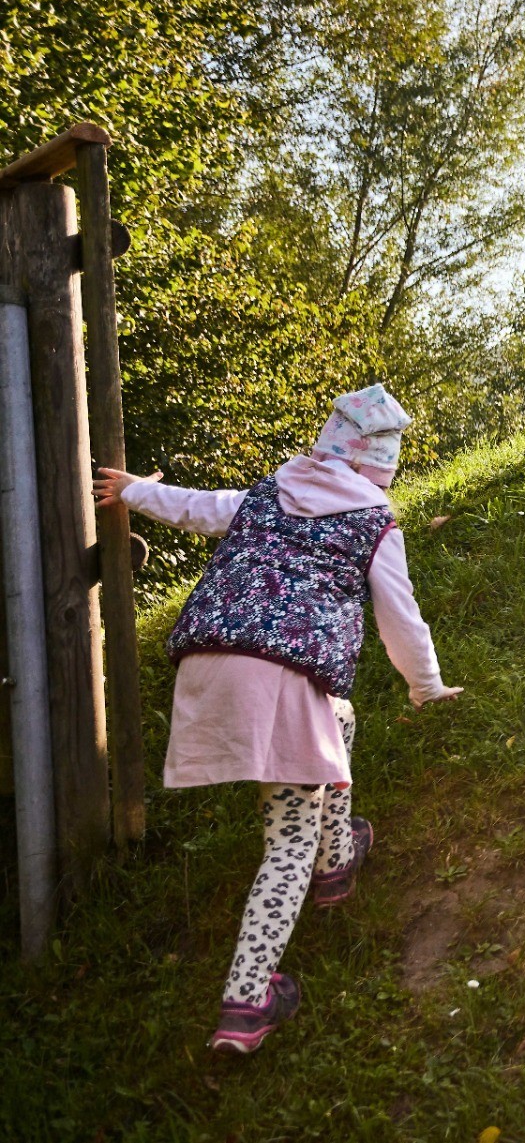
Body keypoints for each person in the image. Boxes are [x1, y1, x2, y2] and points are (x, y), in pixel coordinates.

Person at [92, 384, 461, 1055]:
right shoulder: (373, 520)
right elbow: (399, 617)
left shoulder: (270, 492)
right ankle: (247, 999)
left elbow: (200, 509)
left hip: (209, 665)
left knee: (338, 722)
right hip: (286, 677)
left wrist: (135, 492)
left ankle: (339, 854)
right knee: (286, 837)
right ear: (380, 467)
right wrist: (426, 686)